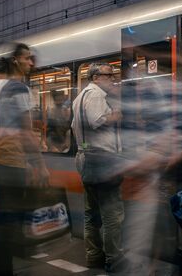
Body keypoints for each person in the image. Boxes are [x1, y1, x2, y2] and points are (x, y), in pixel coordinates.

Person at [0, 43, 49, 276]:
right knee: (9, 221)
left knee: (2, 219)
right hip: (10, 160)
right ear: (16, 61)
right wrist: (39, 164)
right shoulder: (19, 89)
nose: (31, 63)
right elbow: (26, 131)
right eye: (28, 58)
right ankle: (2, 269)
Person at [71, 63, 125, 273]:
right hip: (102, 159)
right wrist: (115, 115)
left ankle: (93, 255)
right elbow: (96, 121)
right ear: (95, 77)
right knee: (113, 214)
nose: (112, 78)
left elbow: (75, 127)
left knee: (91, 212)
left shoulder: (80, 97)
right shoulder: (95, 95)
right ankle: (115, 258)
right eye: (108, 75)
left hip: (87, 157)